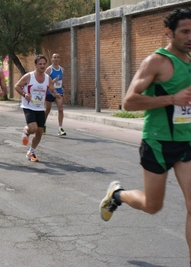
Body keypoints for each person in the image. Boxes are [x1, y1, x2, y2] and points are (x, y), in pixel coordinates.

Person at [99, 8, 191, 265]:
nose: (190, 36)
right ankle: (117, 195)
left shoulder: (190, 62)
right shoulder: (156, 61)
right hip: (157, 142)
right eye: (185, 31)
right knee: (153, 206)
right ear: (169, 32)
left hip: (186, 142)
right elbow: (128, 102)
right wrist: (172, 99)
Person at [14, 54, 60, 162]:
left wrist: (55, 94)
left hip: (40, 107)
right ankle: (26, 130)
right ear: (35, 65)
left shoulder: (47, 78)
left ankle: (31, 151)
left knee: (39, 131)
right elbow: (17, 86)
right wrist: (25, 94)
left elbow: (52, 89)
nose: (42, 66)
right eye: (40, 64)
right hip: (28, 106)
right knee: (33, 128)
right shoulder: (29, 76)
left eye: (44, 64)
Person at [44, 53, 66, 136]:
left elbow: (61, 81)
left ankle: (60, 128)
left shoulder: (62, 69)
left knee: (60, 108)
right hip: (50, 92)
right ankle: (43, 125)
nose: (56, 59)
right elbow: (45, 82)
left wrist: (62, 88)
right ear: (52, 59)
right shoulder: (49, 70)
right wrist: (52, 82)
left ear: (59, 59)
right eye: (54, 57)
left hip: (59, 92)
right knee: (47, 110)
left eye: (58, 57)